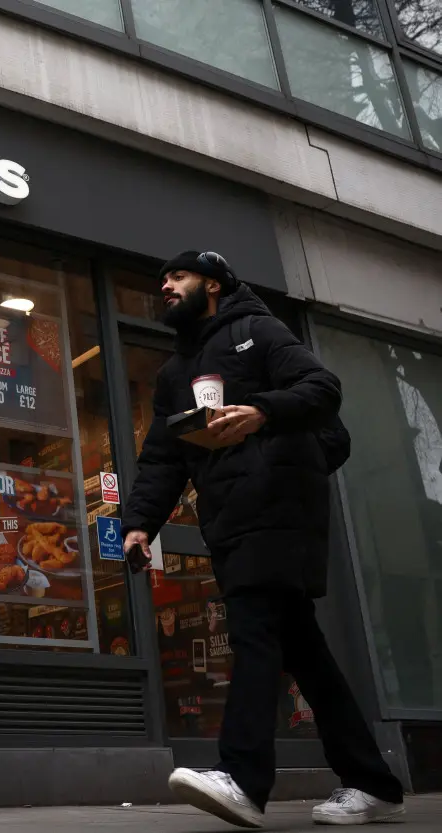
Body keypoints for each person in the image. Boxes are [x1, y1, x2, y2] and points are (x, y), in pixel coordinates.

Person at [120, 250, 406, 829]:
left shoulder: (257, 329)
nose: (166, 286)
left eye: (178, 276)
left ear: (214, 284)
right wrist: (139, 523)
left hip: (280, 505)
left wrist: (260, 413)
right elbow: (161, 459)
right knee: (304, 651)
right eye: (163, 280)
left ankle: (243, 777)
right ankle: (373, 783)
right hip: (228, 517)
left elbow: (321, 387)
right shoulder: (175, 374)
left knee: (253, 629)